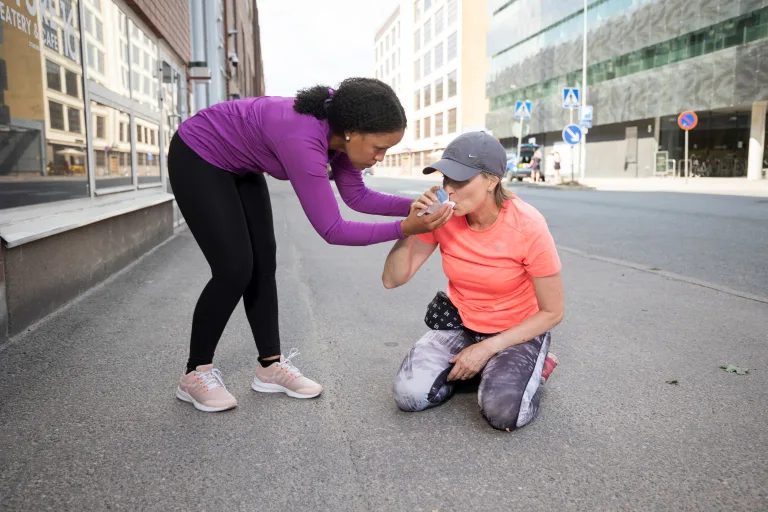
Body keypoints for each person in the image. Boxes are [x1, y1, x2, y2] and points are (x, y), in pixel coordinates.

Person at [169, 78, 451, 413]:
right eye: (378, 148)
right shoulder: (302, 138)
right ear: (352, 132)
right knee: (233, 269)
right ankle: (195, 373)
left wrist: (412, 206)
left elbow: (357, 196)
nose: (380, 157)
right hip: (198, 154)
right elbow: (332, 229)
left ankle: (270, 367)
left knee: (263, 265)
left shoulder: (342, 135)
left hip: (241, 164)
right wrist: (405, 227)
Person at [382, 132, 564, 431]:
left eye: (460, 182)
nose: (448, 191)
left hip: (515, 331)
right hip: (462, 324)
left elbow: (553, 312)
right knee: (409, 396)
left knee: (503, 413)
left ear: (492, 180)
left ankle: (533, 366)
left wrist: (486, 349)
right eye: (445, 180)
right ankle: (486, 372)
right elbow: (392, 279)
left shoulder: (528, 225)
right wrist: (411, 226)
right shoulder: (441, 217)